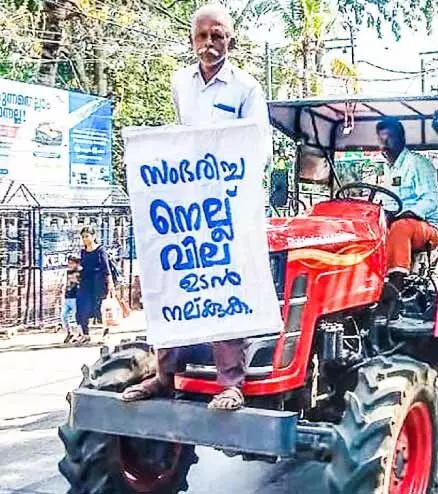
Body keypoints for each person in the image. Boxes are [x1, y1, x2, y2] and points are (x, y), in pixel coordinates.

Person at [122, 4, 269, 411]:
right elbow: (178, 141)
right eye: (202, 36)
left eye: (217, 35)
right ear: (192, 40)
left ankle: (231, 383)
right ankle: (164, 374)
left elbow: (260, 149)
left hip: (226, 204)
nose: (209, 43)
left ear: (231, 41)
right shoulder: (179, 83)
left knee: (223, 283)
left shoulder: (247, 88)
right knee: (173, 278)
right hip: (186, 200)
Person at [377, 117, 438, 312]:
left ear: (401, 138)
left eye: (389, 138)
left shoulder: (416, 163)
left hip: (427, 228)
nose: (385, 144)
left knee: (401, 226)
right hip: (396, 222)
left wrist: (405, 214)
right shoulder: (387, 169)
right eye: (382, 139)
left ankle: (395, 284)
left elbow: (430, 201)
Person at [75, 227, 112, 345]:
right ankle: (85, 334)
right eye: (83, 237)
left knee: (99, 308)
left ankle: (105, 333)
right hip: (85, 282)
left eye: (87, 236)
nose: (85, 239)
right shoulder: (83, 252)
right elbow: (82, 266)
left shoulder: (100, 250)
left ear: (93, 236)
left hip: (98, 282)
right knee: (82, 307)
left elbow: (106, 267)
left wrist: (110, 283)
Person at [61, 255, 81, 344]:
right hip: (67, 297)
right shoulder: (68, 272)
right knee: (64, 315)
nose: (70, 265)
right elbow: (67, 283)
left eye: (72, 263)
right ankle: (69, 332)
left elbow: (80, 283)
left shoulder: (80, 272)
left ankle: (80, 333)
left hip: (75, 297)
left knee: (75, 317)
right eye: (69, 263)